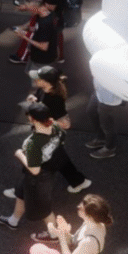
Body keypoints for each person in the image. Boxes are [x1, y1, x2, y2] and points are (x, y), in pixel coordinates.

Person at [27, 66, 91, 205]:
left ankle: (24, 190)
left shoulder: (55, 98)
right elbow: (39, 98)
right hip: (44, 132)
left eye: (38, 78)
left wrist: (47, 119)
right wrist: (35, 99)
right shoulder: (43, 89)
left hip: (49, 134)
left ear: (46, 82)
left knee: (43, 160)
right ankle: (79, 181)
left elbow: (66, 123)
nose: (35, 79)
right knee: (57, 158)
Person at [0, 102, 61, 233]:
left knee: (44, 210)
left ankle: (54, 235)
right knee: (21, 193)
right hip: (48, 168)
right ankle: (13, 221)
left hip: (38, 178)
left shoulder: (33, 144)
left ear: (32, 119)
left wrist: (20, 154)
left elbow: (35, 170)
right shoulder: (55, 126)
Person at [11, 0, 58, 68]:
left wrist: (24, 37)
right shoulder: (45, 13)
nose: (29, 11)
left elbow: (43, 47)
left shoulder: (45, 24)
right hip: (36, 57)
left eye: (29, 9)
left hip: (42, 61)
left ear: (35, 8)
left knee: (36, 78)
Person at [84, 78, 123, 159]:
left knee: (107, 125)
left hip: (110, 97)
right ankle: (101, 139)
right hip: (98, 91)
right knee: (91, 112)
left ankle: (110, 148)